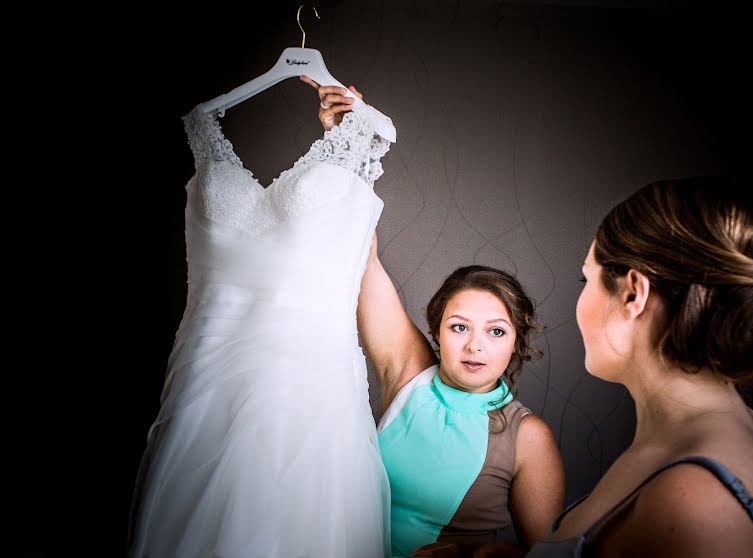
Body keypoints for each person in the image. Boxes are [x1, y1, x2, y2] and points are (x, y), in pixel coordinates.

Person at [129, 80, 398, 556]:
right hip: (201, 391)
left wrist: (353, 124)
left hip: (310, 394)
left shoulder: (366, 131)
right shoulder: (196, 126)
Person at [302, 77, 566, 558]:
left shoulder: (529, 438)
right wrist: (351, 139)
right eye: (459, 327)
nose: (474, 346)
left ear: (516, 342)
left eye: (496, 331)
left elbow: (547, 557)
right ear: (437, 332)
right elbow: (361, 255)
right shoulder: (409, 374)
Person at [525, 178, 753, 557]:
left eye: (588, 278)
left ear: (634, 293)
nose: (580, 299)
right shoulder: (745, 431)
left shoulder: (695, 502)